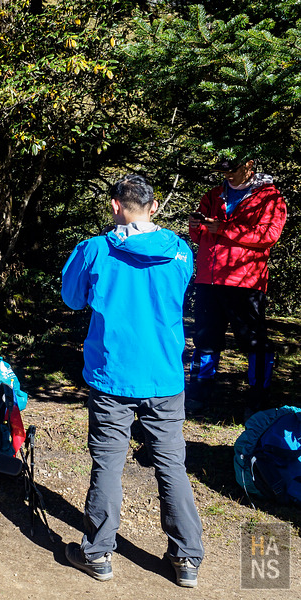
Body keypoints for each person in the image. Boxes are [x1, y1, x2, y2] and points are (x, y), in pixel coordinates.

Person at [61, 174, 203, 587]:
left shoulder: (94, 250)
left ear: (114, 206)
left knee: (108, 462)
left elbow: (72, 298)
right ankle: (187, 559)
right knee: (171, 464)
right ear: (154, 207)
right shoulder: (179, 250)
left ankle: (98, 552)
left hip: (113, 377)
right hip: (164, 377)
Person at [187, 157, 287, 414]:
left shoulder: (270, 198)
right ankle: (199, 392)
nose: (227, 176)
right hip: (208, 278)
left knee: (254, 342)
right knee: (205, 338)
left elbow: (268, 236)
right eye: (222, 171)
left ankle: (258, 397)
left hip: (245, 280)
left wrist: (225, 228)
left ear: (250, 164)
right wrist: (196, 225)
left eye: (232, 170)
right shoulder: (213, 195)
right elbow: (199, 236)